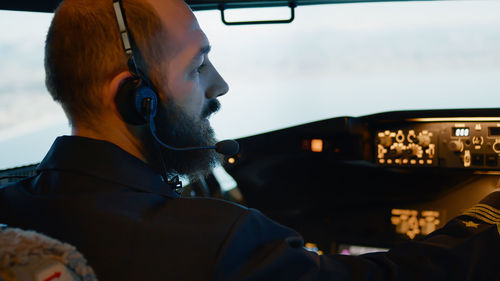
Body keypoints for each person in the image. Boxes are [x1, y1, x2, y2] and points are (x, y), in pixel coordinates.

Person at [0, 0, 499, 280]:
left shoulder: (13, 213)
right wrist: (488, 219)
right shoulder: (213, 244)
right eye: (197, 66)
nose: (220, 84)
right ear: (136, 98)